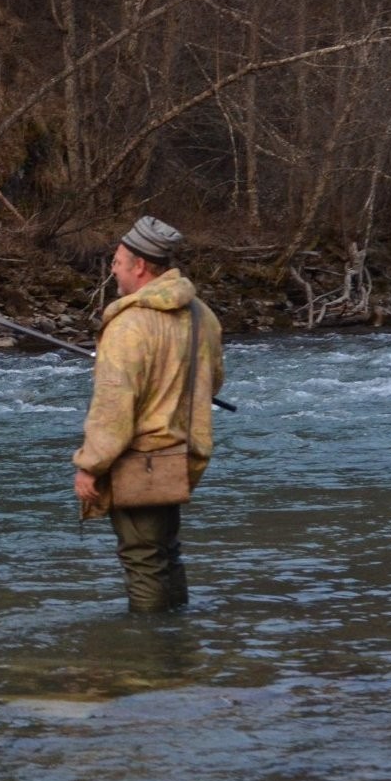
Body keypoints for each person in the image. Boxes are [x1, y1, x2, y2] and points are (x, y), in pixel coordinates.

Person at [73, 217, 224, 612]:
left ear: (140, 266)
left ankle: (148, 658)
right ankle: (175, 645)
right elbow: (214, 383)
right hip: (182, 456)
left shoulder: (127, 326)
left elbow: (113, 410)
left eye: (118, 261)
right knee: (166, 554)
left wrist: (90, 466)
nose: (113, 268)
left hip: (140, 462)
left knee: (142, 560)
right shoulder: (201, 315)